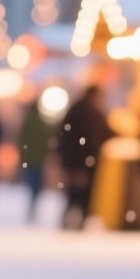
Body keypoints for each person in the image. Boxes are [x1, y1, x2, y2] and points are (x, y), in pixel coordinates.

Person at [55, 85, 110, 230]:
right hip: (84, 160)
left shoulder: (75, 109)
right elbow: (95, 135)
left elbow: (63, 134)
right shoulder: (91, 112)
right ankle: (79, 220)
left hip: (74, 160)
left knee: (74, 191)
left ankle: (69, 219)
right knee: (82, 191)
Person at [15, 100, 53, 222]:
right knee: (37, 183)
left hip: (28, 157)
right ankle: (34, 201)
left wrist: (22, 154)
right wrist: (45, 154)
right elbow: (47, 141)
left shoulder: (27, 123)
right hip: (39, 158)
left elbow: (21, 140)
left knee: (30, 180)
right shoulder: (42, 123)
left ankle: (31, 203)